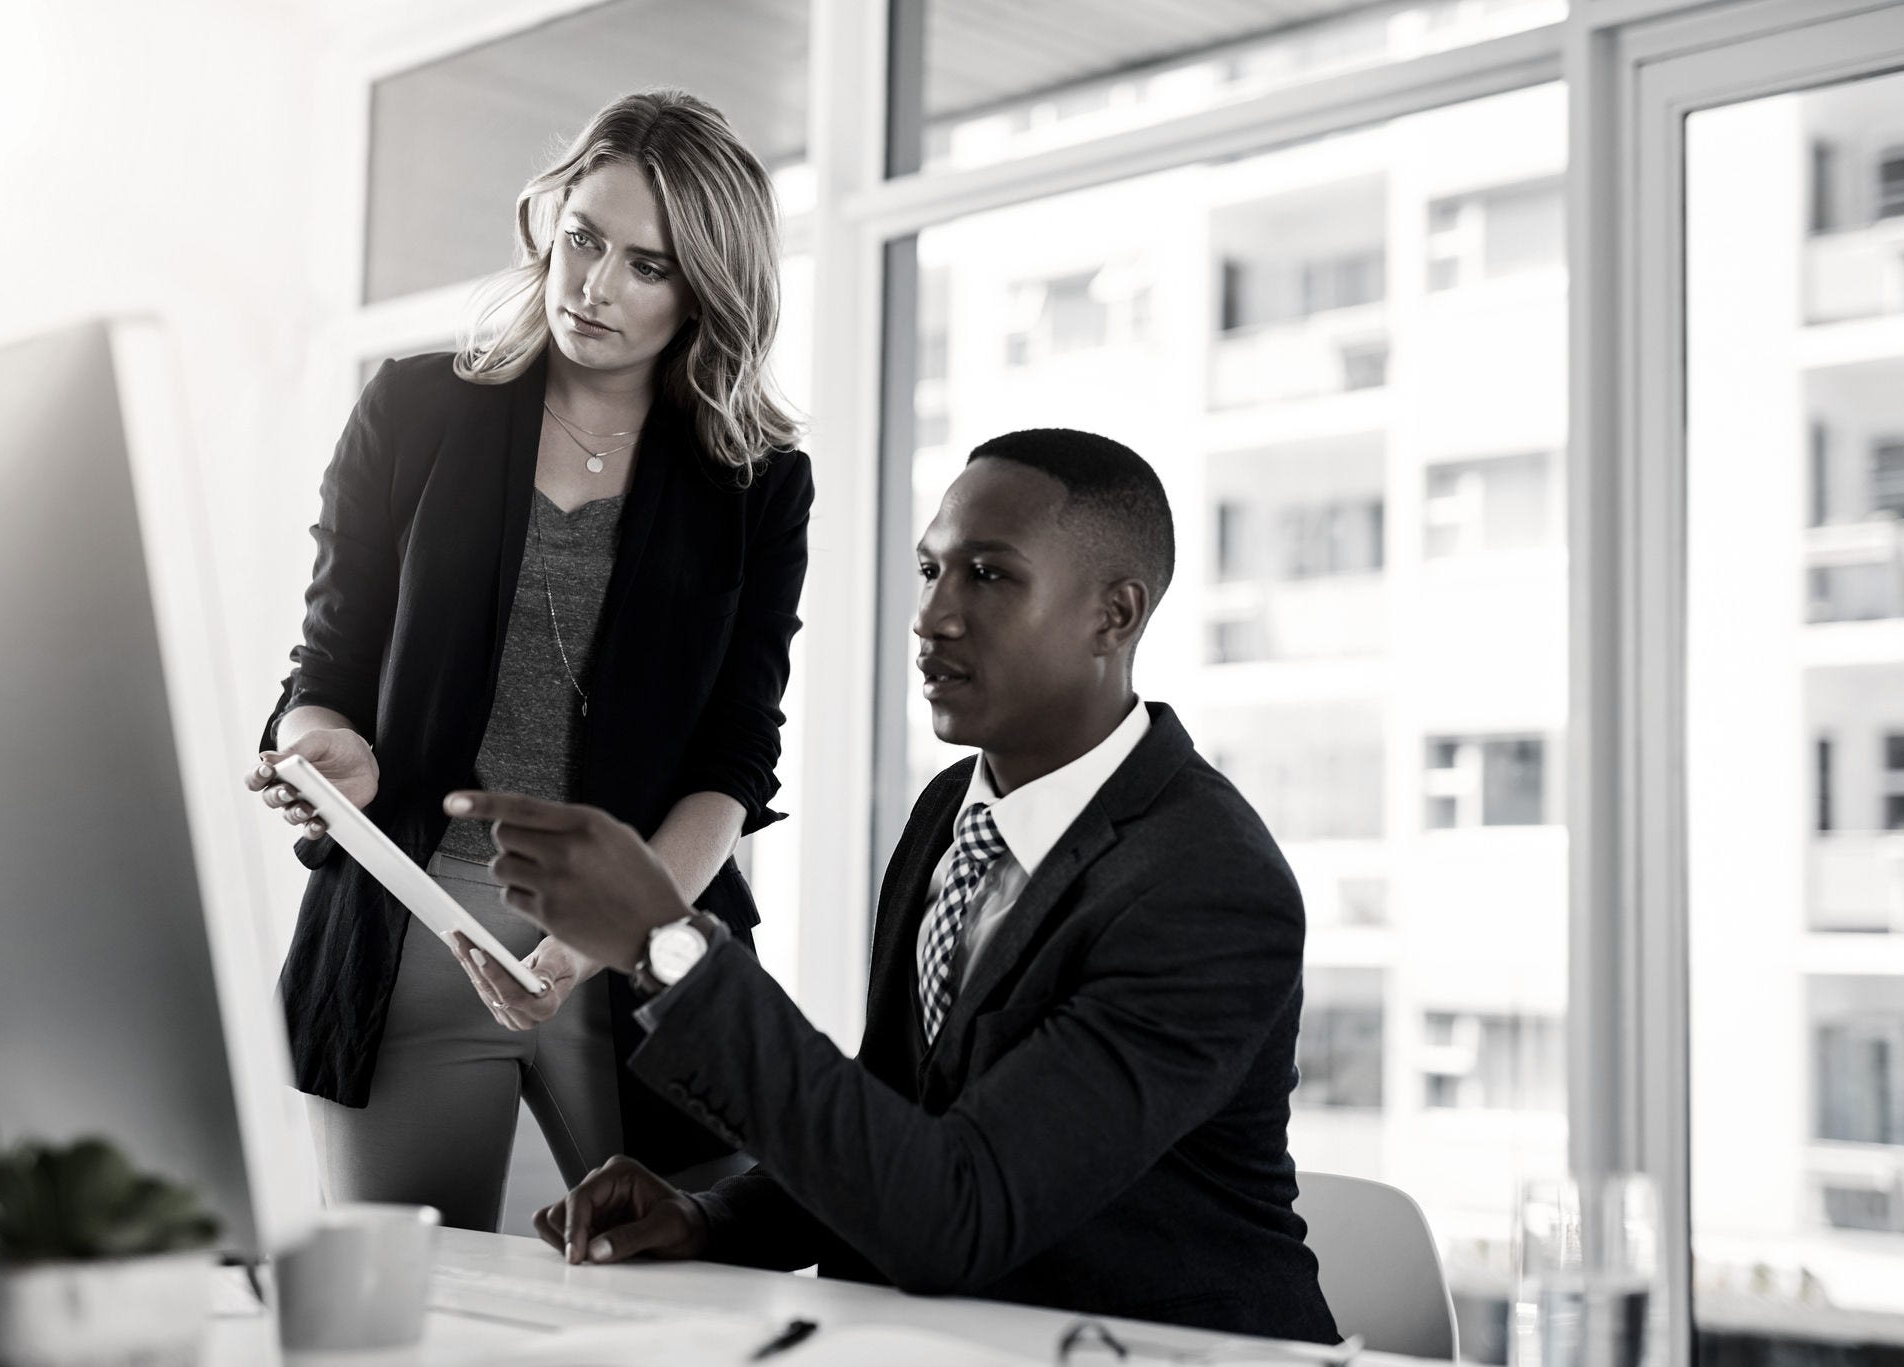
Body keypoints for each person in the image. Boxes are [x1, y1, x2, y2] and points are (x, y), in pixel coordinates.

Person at [448, 429, 1341, 1341]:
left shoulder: (1207, 885)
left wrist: (666, 944)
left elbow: (958, 1213)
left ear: (1114, 614)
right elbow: (899, 1128)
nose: (933, 615)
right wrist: (713, 1216)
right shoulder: (950, 808)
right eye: (929, 569)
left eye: (988, 575)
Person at [243, 88, 811, 1231]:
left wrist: (621, 927)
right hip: (412, 923)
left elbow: (736, 753)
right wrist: (322, 757)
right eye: (584, 239)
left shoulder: (755, 481)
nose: (593, 285)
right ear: (549, 226)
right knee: (414, 1314)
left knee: (683, 1307)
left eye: (645, 265)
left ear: (705, 290)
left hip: (642, 950)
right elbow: (329, 663)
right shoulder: (412, 408)